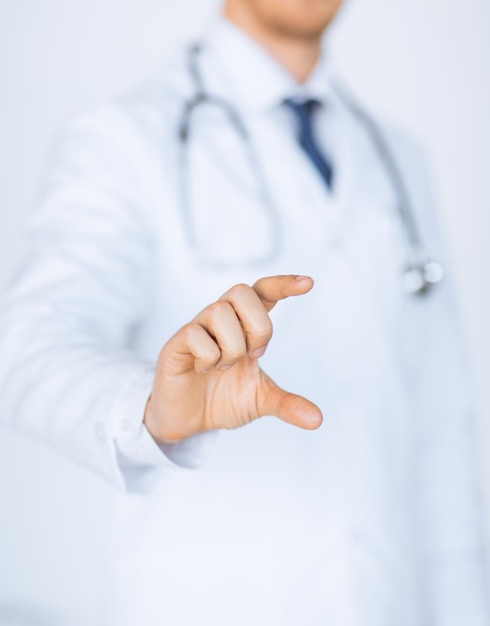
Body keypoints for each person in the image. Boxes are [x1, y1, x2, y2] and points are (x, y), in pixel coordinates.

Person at [0, 0, 487, 624]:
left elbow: (443, 429)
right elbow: (29, 342)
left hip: (392, 600)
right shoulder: (123, 135)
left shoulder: (400, 160)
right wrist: (151, 408)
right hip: (215, 600)